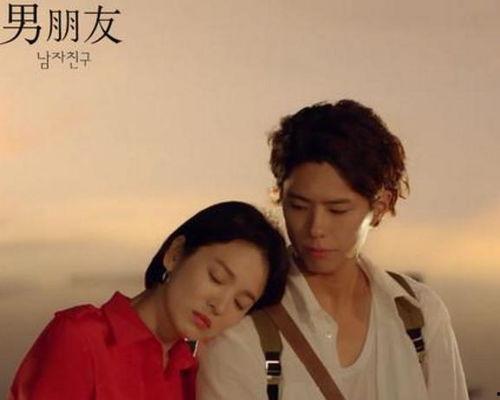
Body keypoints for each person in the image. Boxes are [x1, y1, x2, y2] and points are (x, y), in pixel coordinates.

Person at [197, 100, 469, 399]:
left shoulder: (420, 315)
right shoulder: (241, 328)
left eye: (338, 210)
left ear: (381, 206)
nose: (316, 228)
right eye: (298, 206)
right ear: (280, 197)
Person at [9, 201, 289, 400]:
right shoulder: (82, 338)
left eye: (241, 304)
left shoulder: (189, 375)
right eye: (216, 277)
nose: (221, 305)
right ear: (175, 254)